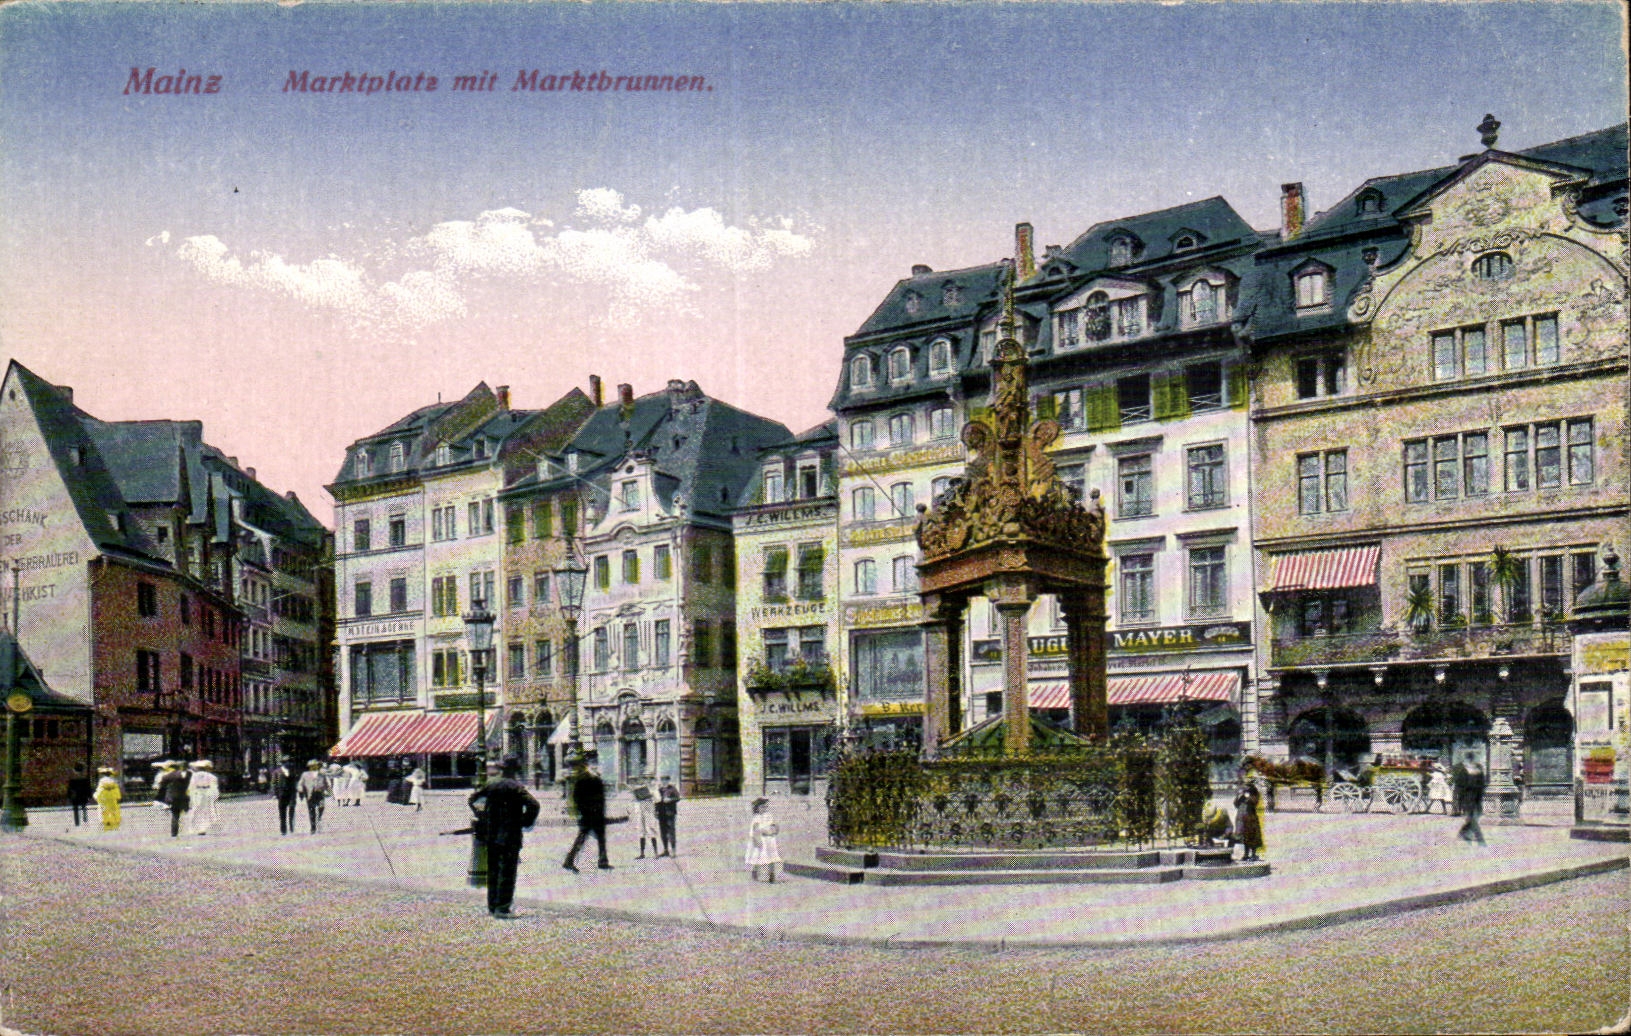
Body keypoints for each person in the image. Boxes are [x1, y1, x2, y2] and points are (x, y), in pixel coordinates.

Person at [468, 757, 542, 918]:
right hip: (510, 835)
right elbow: (534, 805)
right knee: (508, 872)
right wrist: (524, 821)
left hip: (491, 834)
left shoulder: (491, 784)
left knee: (493, 871)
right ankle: (503, 908)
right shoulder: (517, 787)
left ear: (502, 769)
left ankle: (492, 906)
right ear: (514, 771)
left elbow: (472, 799)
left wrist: (481, 816)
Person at [563, 758, 612, 872]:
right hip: (588, 815)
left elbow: (601, 798)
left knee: (600, 838)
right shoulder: (583, 779)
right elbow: (577, 797)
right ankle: (569, 861)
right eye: (592, 765)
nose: (594, 767)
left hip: (597, 814)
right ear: (587, 766)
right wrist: (583, 811)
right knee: (582, 838)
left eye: (596, 765)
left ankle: (603, 861)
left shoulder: (597, 778)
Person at [746, 797, 782, 882]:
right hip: (761, 840)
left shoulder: (769, 815)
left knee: (772, 856)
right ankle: (754, 872)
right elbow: (754, 831)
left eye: (766, 807)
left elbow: (774, 824)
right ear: (757, 808)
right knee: (758, 857)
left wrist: (776, 830)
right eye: (762, 807)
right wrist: (756, 841)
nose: (764, 809)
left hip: (770, 839)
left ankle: (771, 875)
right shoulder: (757, 817)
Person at [1454, 752, 1487, 845]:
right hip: (1468, 797)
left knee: (1474, 817)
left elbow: (1481, 784)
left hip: (1473, 796)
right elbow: (1460, 786)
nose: (1470, 760)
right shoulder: (1463, 770)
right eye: (1469, 758)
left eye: (1470, 758)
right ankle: (1480, 839)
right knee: (1471, 817)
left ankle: (1463, 833)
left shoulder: (1476, 769)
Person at [154, 760, 191, 838]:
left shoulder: (170, 775)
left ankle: (174, 832)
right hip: (184, 796)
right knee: (188, 813)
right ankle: (191, 829)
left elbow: (162, 783)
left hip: (173, 797)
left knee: (175, 814)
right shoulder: (188, 774)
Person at [1233, 777, 1263, 862]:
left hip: (1250, 817)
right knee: (1244, 836)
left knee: (1252, 836)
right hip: (1241, 818)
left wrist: (1248, 796)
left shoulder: (1254, 792)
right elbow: (1235, 804)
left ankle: (1253, 854)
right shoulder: (1241, 795)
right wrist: (1239, 795)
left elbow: (1255, 802)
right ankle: (1246, 854)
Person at [627, 771, 657, 859]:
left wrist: (649, 797)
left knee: (650, 830)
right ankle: (642, 853)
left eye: (633, 782)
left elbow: (655, 799)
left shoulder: (649, 788)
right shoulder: (633, 792)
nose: (632, 783)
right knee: (641, 832)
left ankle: (656, 853)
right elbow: (632, 804)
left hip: (648, 811)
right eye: (631, 782)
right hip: (639, 813)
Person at [186, 760, 220, 835]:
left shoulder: (194, 776)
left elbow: (191, 786)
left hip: (198, 792)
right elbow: (214, 787)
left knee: (196, 810)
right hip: (206, 792)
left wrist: (190, 795)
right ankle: (202, 828)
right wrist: (215, 796)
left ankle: (193, 827)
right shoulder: (212, 776)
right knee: (204, 811)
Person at [296, 759, 330, 834]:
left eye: (316, 765)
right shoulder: (305, 774)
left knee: (322, 806)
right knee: (312, 812)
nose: (315, 767)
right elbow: (299, 784)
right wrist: (300, 790)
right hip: (310, 795)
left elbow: (326, 783)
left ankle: (319, 817)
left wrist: (328, 790)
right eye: (313, 766)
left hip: (320, 793)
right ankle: (313, 827)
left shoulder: (321, 773)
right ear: (310, 767)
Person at [271, 759, 300, 835]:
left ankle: (291, 827)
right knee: (282, 813)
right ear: (283, 763)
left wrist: (298, 791)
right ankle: (283, 830)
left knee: (291, 809)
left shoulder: (292, 771)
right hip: (282, 795)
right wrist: (274, 794)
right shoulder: (277, 772)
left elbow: (295, 782)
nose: (288, 763)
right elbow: (274, 783)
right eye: (287, 762)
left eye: (289, 762)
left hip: (291, 794)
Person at [654, 775, 680, 857]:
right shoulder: (659, 790)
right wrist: (655, 811)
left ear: (668, 781)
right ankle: (665, 850)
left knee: (671, 831)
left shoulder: (672, 789)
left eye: (665, 780)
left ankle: (673, 851)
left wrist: (670, 800)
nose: (664, 782)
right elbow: (656, 802)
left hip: (670, 813)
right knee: (663, 833)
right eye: (662, 780)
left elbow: (678, 798)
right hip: (661, 814)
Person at [93, 767, 122, 831]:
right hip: (112, 797)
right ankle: (114, 821)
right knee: (113, 809)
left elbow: (100, 792)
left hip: (104, 798)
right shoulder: (114, 782)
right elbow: (117, 790)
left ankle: (106, 822)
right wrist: (118, 797)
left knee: (103, 810)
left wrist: (95, 796)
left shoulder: (101, 782)